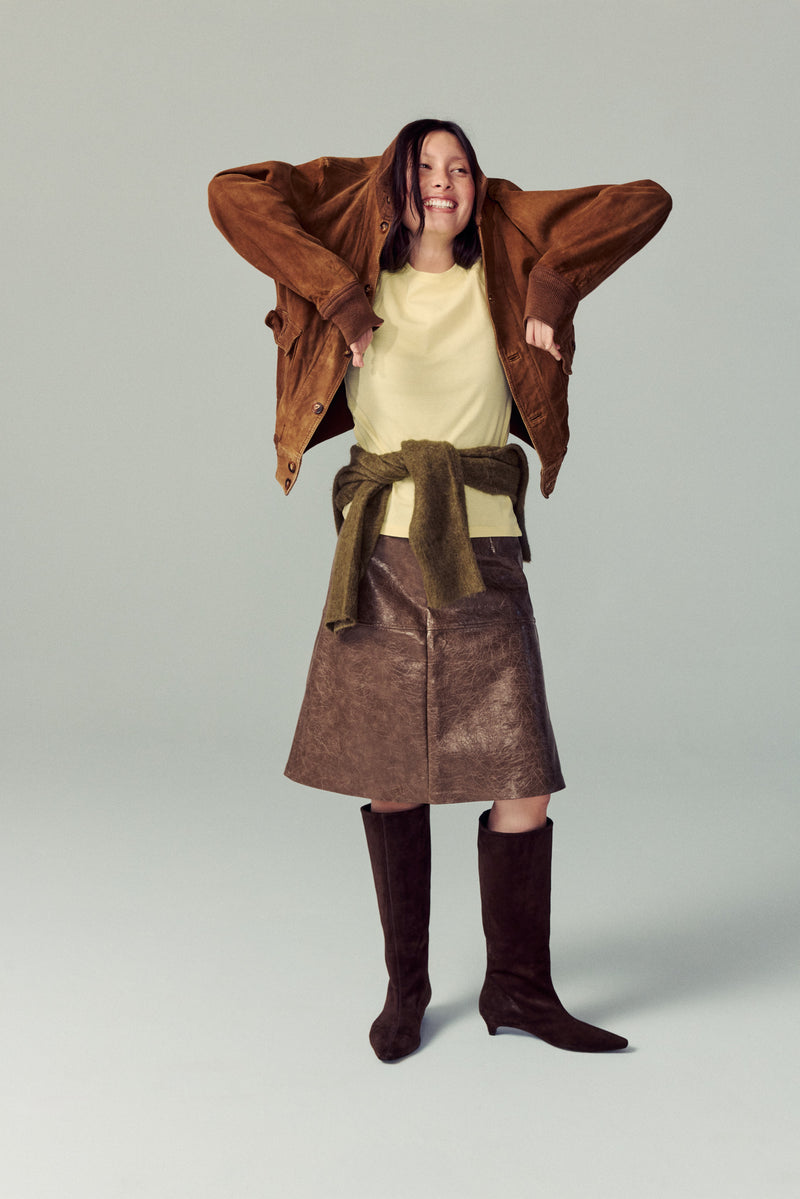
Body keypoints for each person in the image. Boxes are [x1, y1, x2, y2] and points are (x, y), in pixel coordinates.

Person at [208, 118, 671, 1062]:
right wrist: (338, 299)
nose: (446, 182)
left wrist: (553, 283)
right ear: (397, 183)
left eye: (460, 166)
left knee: (522, 779)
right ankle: (407, 988)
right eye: (426, 167)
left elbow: (644, 202)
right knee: (393, 779)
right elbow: (230, 193)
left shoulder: (501, 266)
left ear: (479, 185)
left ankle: (519, 990)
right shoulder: (355, 271)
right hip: (378, 551)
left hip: (483, 550)